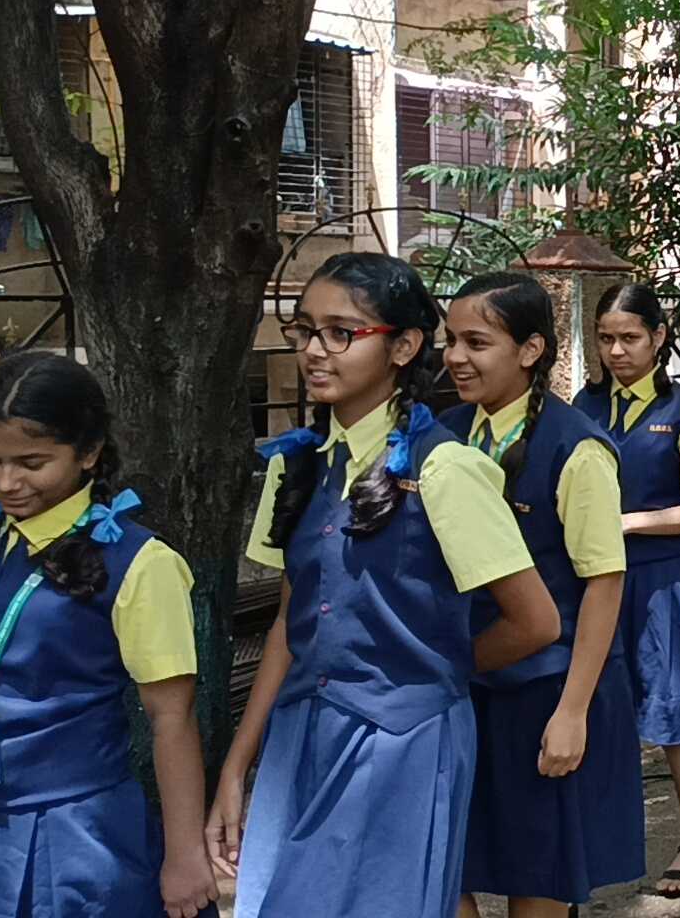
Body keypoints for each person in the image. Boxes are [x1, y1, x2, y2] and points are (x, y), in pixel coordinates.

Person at [210, 253, 560, 918]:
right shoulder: (297, 465)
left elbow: (535, 621)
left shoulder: (445, 469)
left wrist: (429, 670)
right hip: (302, 733)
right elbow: (288, 622)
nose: (316, 350)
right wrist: (238, 763)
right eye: (305, 330)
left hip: (401, 741)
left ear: (403, 347)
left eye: (342, 333)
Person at [441, 274, 641, 917]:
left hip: (547, 691)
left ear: (530, 350)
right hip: (464, 689)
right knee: (445, 868)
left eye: (476, 342)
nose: (455, 357)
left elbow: (604, 584)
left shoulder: (576, 449)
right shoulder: (441, 435)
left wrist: (572, 712)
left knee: (539, 878)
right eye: (450, 340)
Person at [0, 353, 218, 918]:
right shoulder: (0, 539)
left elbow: (171, 717)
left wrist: (185, 855)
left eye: (32, 463)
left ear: (89, 452)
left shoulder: (140, 563)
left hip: (71, 833)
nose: (7, 482)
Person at [571, 283, 680, 899]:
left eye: (630, 338)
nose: (617, 351)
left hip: (668, 579)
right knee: (591, 706)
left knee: (677, 712)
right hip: (594, 579)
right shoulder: (582, 406)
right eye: (606, 339)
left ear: (659, 338)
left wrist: (626, 523)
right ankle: (587, 842)